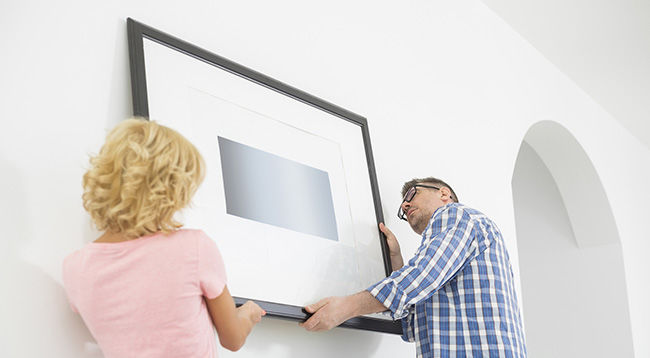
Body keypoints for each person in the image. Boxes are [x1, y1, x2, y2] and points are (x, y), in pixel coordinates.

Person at [62, 118, 265, 357]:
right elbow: (232, 339)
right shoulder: (195, 248)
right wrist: (248, 313)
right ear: (171, 191)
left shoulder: (75, 268)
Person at [301, 177, 527, 357]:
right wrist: (396, 259)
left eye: (411, 194)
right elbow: (412, 329)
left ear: (444, 193)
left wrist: (346, 307)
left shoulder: (457, 214)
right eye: (402, 208)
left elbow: (424, 275)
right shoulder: (447, 252)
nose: (405, 205)